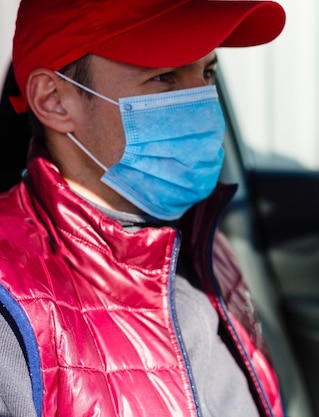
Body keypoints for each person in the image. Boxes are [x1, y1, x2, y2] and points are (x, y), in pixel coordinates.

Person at [0, 1, 287, 416]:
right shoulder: (12, 301)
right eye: (164, 77)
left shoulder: (207, 245)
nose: (202, 102)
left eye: (207, 73)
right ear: (55, 101)